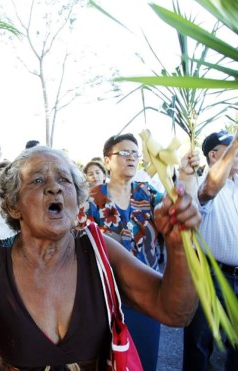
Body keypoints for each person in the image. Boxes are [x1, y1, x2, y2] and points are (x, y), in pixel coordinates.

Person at [0, 145, 200, 369]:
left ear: (78, 201)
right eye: (37, 180)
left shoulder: (99, 251)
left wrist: (177, 244)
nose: (55, 189)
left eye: (64, 180)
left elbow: (176, 312)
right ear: (14, 205)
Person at [77, 133, 171, 370]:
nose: (131, 158)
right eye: (124, 153)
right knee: (106, 362)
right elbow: (77, 245)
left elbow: (176, 209)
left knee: (144, 361)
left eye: (135, 153)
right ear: (107, 161)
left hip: (147, 297)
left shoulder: (149, 194)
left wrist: (184, 178)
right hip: (104, 299)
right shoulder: (91, 199)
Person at [183, 121, 238, 371]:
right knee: (199, 344)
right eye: (231, 147)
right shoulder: (199, 184)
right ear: (213, 155)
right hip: (210, 276)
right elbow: (211, 187)